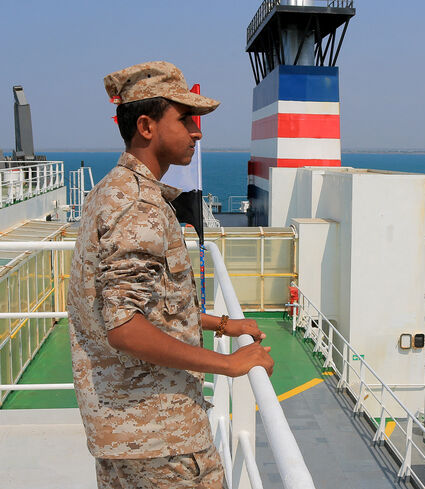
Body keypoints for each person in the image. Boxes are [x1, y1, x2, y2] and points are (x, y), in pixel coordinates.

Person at [67, 61, 274, 489]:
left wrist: (220, 323)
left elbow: (147, 305)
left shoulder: (111, 190)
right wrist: (229, 364)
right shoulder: (139, 207)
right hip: (162, 442)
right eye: (185, 119)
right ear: (146, 126)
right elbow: (124, 327)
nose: (197, 132)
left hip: (126, 432)